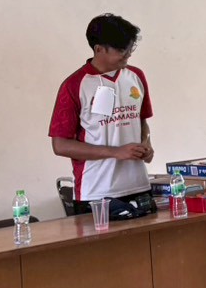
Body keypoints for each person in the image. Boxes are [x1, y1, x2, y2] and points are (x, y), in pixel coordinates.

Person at [49, 13, 155, 217]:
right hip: (96, 193)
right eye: (121, 50)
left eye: (130, 48)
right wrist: (115, 152)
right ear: (99, 49)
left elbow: (141, 121)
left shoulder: (136, 76)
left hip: (139, 186)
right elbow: (60, 145)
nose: (128, 55)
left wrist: (146, 143)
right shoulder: (74, 85)